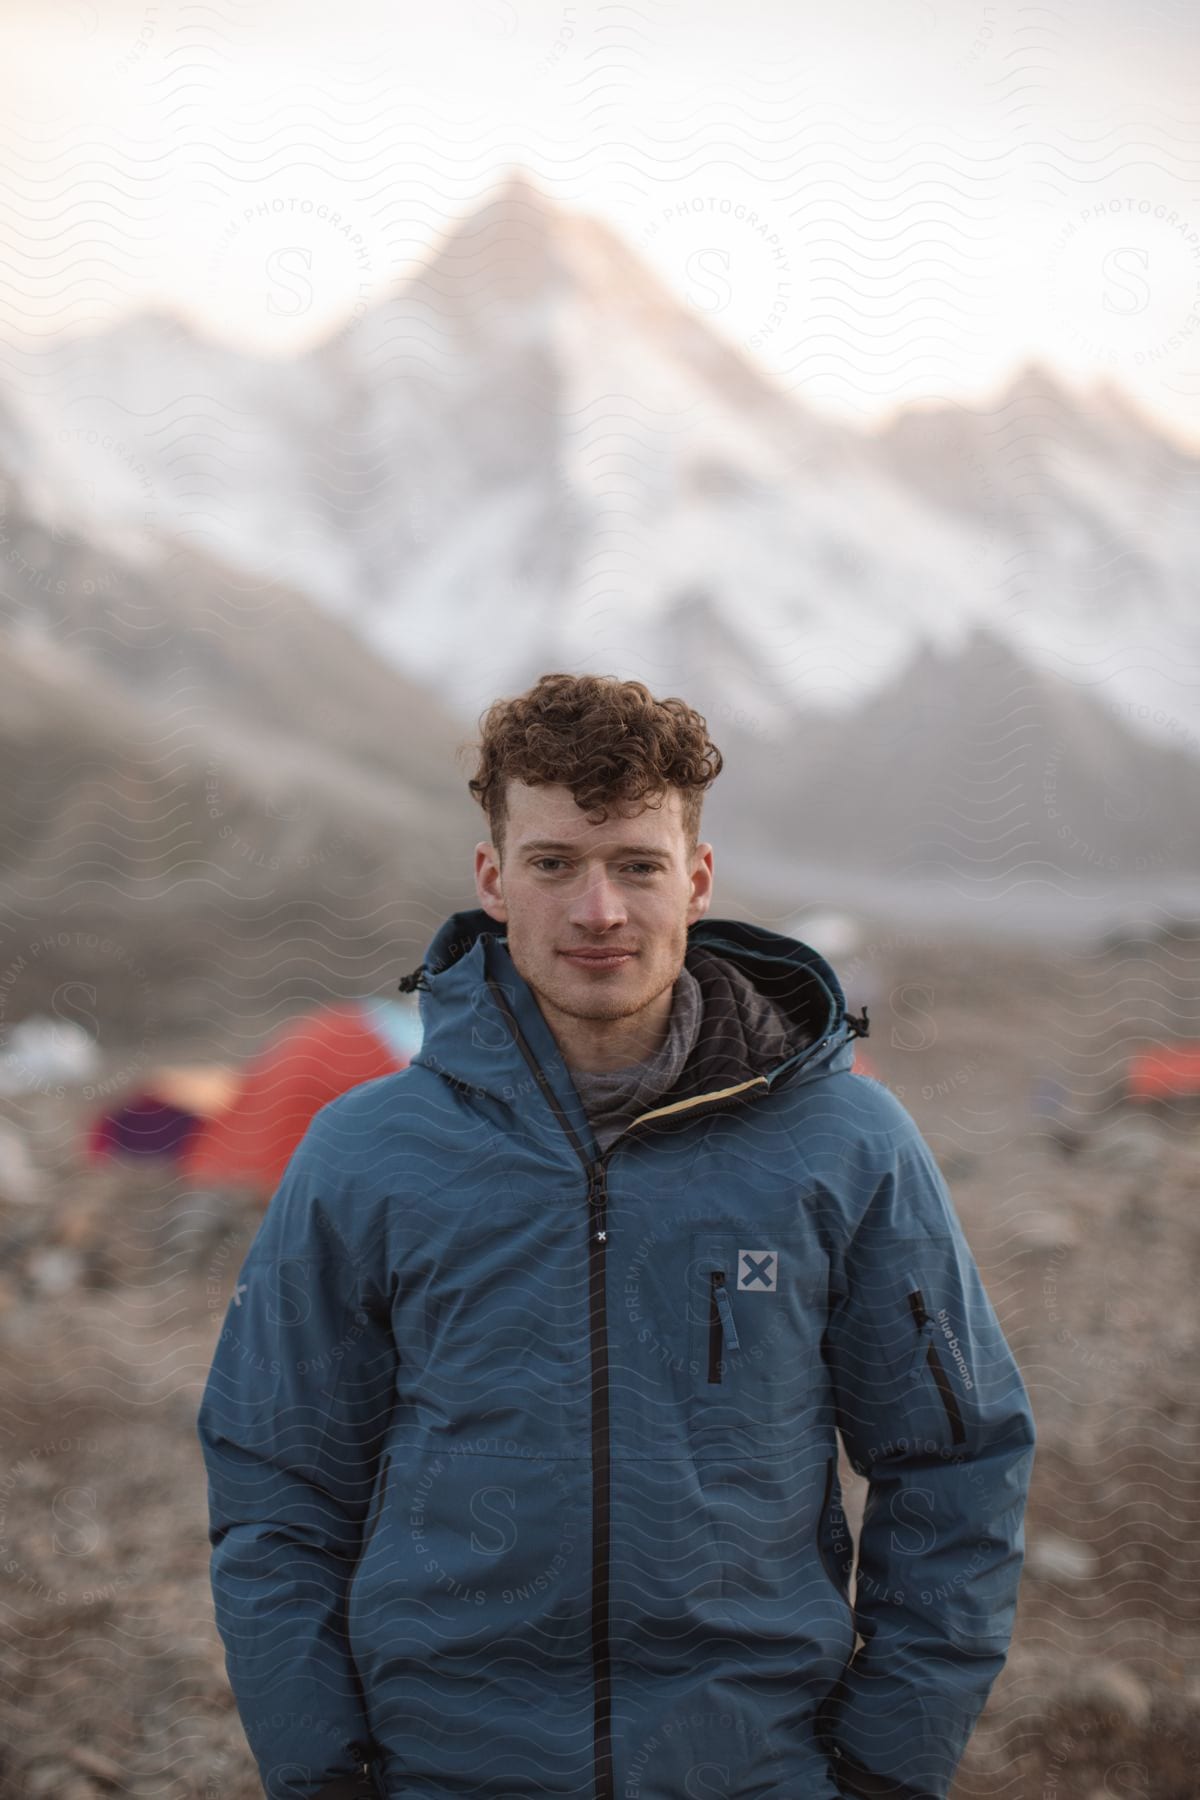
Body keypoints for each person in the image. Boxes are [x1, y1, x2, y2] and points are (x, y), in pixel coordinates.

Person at [197, 672, 1036, 1800]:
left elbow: (955, 1461)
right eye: (555, 864)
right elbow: (277, 1486)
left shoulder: (847, 1143)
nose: (599, 911)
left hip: (756, 1769)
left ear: (695, 878)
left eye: (637, 864)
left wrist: (889, 1762)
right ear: (494, 878)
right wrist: (323, 1769)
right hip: (443, 1769)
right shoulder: (365, 1153)